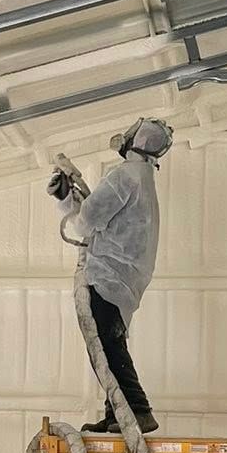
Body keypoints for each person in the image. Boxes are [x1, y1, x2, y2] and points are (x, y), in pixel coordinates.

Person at [47, 117, 173, 435]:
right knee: (110, 344)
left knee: (105, 347)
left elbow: (85, 223)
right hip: (126, 279)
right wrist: (72, 197)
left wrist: (65, 199)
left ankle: (137, 410)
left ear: (135, 141)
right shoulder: (143, 180)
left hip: (107, 276)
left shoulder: (124, 176)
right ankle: (117, 412)